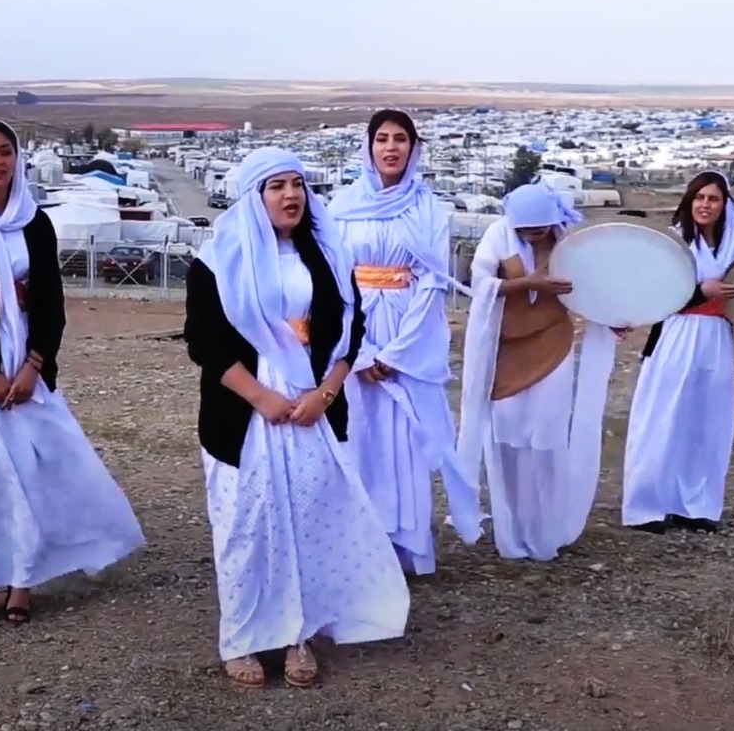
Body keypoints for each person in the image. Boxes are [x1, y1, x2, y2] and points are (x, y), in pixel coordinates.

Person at [185, 146, 407, 689]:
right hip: (244, 410)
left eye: (298, 185)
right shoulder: (219, 258)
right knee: (246, 525)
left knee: (307, 520)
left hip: (312, 405)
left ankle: (297, 635)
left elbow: (348, 332)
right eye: (276, 185)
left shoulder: (326, 256)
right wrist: (261, 396)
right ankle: (242, 638)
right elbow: (206, 342)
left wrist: (325, 395)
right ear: (252, 196)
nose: (290, 195)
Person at [0, 119, 145, 628]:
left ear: (18, 158)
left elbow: (50, 304)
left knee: (28, 476)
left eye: (5, 152)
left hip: (28, 376)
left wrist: (33, 367)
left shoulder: (34, 222)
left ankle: (23, 579)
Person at [327, 109, 481, 573]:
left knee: (405, 441)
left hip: (407, 333)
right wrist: (361, 353)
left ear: (414, 148)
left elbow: (432, 281)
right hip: (354, 332)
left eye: (401, 139)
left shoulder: (428, 209)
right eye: (382, 139)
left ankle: (402, 548)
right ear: (368, 147)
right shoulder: (340, 206)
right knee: (360, 437)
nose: (391, 147)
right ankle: (359, 550)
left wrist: (395, 355)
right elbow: (331, 280)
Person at [456, 181, 618, 562]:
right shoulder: (498, 235)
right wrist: (528, 282)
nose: (531, 236)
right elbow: (478, 283)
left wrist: (613, 319)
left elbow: (594, 288)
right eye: (525, 231)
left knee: (546, 439)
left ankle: (546, 528)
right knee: (509, 439)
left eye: (539, 229)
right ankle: (512, 527)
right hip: (508, 351)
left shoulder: (569, 241)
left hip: (553, 346)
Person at [619, 171, 734, 534]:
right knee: (662, 420)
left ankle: (695, 504)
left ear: (724, 205)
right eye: (699, 197)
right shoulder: (673, 242)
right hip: (676, 336)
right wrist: (703, 291)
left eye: (713, 199)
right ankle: (646, 506)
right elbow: (656, 292)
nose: (705, 205)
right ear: (689, 201)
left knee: (706, 423)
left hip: (715, 340)